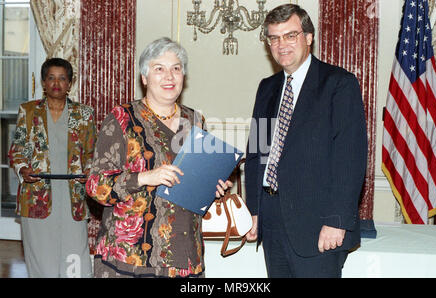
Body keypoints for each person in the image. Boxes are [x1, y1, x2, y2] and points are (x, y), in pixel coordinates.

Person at [86, 37, 232, 278]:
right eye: (159, 69)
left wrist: (212, 187)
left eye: (176, 69)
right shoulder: (122, 119)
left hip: (185, 256)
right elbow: (95, 186)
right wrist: (144, 177)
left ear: (183, 77)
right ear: (144, 78)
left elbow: (193, 187)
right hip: (130, 260)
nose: (169, 76)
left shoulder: (195, 121)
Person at [244, 4, 368, 278]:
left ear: (308, 37)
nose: (282, 45)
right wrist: (253, 210)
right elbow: (257, 154)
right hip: (272, 221)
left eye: (290, 35)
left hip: (319, 224)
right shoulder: (267, 87)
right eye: (274, 38)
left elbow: (351, 158)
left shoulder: (339, 84)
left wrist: (337, 221)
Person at [8, 57, 96, 278]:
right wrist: (22, 169)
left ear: (70, 84)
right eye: (51, 78)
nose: (56, 84)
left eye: (62, 79)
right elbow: (16, 150)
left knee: (75, 260)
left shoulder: (84, 114)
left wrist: (89, 171)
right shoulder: (27, 111)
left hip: (73, 196)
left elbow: (92, 152)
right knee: (42, 261)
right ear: (44, 83)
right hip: (36, 196)